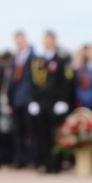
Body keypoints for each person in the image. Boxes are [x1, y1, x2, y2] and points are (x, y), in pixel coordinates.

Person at [31, 31, 75, 173]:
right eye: (45, 40)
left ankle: (57, 163)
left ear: (54, 41)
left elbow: (67, 81)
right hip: (43, 102)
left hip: (56, 102)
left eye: (49, 39)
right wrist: (34, 100)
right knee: (43, 134)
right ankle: (47, 163)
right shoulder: (39, 60)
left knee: (56, 133)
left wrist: (63, 100)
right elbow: (34, 82)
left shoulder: (62, 59)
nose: (47, 42)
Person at [8, 31, 36, 168]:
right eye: (17, 40)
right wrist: (10, 100)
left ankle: (33, 158)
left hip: (28, 99)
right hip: (16, 100)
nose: (19, 43)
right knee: (17, 131)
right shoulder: (14, 59)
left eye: (21, 40)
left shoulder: (33, 57)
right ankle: (20, 159)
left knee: (31, 131)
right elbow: (11, 82)